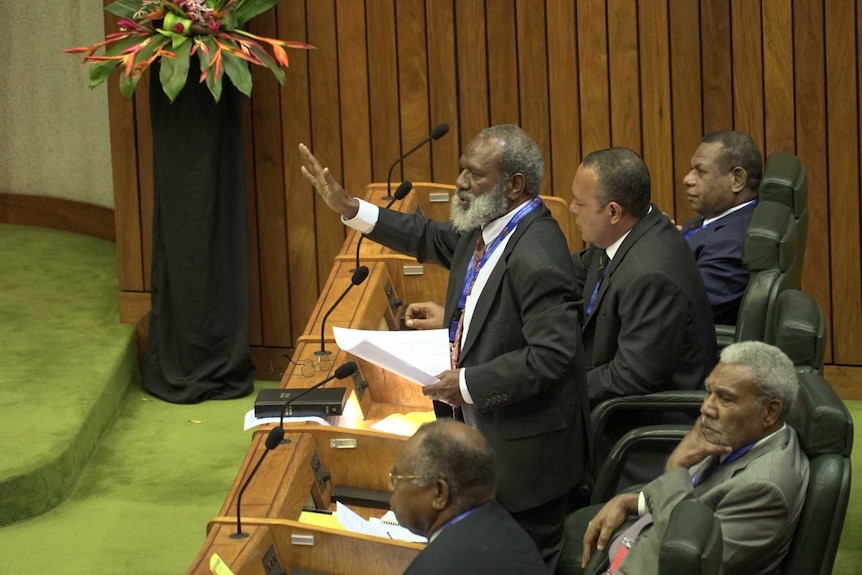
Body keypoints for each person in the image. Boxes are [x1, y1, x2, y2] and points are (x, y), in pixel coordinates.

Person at [300, 124, 591, 569]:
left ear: (513, 186)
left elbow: (553, 356)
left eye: (474, 174)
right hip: (490, 446)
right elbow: (428, 236)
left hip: (527, 465)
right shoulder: (490, 229)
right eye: (461, 171)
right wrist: (351, 209)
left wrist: (468, 383)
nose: (460, 182)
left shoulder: (538, 250)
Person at [581, 341, 809, 575]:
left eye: (725, 398)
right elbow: (695, 491)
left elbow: (684, 563)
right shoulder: (742, 437)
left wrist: (675, 467)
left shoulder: (765, 489)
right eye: (709, 392)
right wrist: (631, 501)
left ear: (770, 412)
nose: (706, 408)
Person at [569, 147, 717, 409]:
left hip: (638, 417)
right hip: (603, 379)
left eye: (580, 203)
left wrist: (558, 389)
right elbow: (570, 269)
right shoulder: (629, 231)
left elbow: (631, 377)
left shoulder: (650, 275)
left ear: (613, 212)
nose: (571, 209)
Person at [390, 420, 550, 575]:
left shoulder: (431, 569)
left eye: (396, 478)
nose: (391, 487)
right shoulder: (508, 529)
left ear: (439, 493)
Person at [680, 130, 762, 326]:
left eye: (700, 171)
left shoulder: (734, 243)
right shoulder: (717, 218)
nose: (687, 179)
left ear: (737, 180)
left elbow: (683, 308)